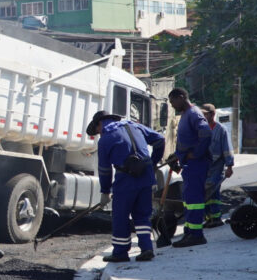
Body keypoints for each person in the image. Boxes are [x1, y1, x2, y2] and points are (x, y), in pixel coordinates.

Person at [87, 110, 165, 262]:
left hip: (126, 180)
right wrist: (153, 162)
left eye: (97, 130)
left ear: (100, 124)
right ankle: (147, 248)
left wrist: (105, 191)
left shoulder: (105, 139)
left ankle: (121, 252)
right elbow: (160, 140)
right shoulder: (135, 126)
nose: (98, 133)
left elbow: (104, 169)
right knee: (142, 215)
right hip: (146, 177)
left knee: (121, 216)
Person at [167, 88, 212, 248]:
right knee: (188, 199)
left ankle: (197, 235)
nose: (172, 106)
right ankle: (189, 232)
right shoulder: (186, 114)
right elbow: (187, 140)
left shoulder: (194, 113)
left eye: (173, 102)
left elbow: (206, 133)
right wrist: (177, 154)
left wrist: (196, 154)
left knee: (194, 200)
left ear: (181, 97)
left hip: (196, 164)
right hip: (189, 163)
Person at [201, 104, 234, 228]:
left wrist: (229, 166)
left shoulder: (221, 129)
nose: (203, 116)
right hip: (204, 165)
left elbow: (227, 149)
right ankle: (209, 217)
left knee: (213, 191)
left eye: (205, 114)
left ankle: (216, 217)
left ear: (212, 114)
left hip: (217, 166)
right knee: (204, 192)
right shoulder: (202, 129)